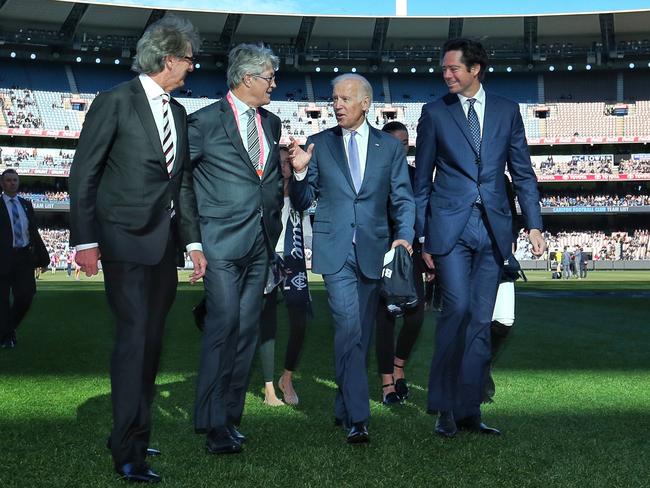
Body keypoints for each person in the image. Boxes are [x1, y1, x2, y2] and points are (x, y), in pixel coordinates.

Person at [68, 16, 205, 483]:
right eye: (188, 59)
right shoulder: (115, 102)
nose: (192, 67)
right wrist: (85, 240)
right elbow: (83, 173)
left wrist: (193, 241)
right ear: (168, 59)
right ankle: (128, 450)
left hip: (164, 248)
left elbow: (181, 183)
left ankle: (133, 432)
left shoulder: (180, 114)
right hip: (122, 241)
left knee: (151, 345)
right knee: (133, 343)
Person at [413, 38, 545, 438]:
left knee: (479, 320)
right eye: (444, 69)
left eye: (453, 68)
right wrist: (422, 238)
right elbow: (422, 182)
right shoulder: (434, 113)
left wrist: (534, 224)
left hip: (495, 229)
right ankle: (442, 407)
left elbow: (522, 172)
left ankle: (469, 409)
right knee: (456, 311)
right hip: (449, 230)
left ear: (476, 69)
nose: (446, 75)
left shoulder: (508, 111)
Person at [289, 74, 415, 444]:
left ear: (365, 103)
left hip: (375, 252)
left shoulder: (389, 149)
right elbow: (301, 202)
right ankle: (358, 418)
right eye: (334, 98)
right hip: (334, 251)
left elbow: (403, 199)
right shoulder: (317, 144)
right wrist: (298, 172)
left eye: (345, 98)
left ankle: (344, 404)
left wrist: (404, 236)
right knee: (348, 328)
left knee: (359, 334)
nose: (337, 104)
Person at [186, 43, 283, 455]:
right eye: (269, 78)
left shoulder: (273, 123)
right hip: (220, 244)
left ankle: (229, 417)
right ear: (247, 79)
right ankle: (211, 423)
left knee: (246, 332)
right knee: (222, 327)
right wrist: (193, 241)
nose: (274, 85)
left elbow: (266, 180)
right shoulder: (203, 122)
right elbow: (180, 183)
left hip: (261, 242)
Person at [374, 121, 428, 405]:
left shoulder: (417, 176)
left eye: (405, 141)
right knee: (384, 318)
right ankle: (387, 384)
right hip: (379, 251)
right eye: (396, 141)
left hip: (410, 252)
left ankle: (398, 366)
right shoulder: (373, 175)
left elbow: (423, 214)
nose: (402, 145)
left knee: (416, 315)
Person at [259, 146, 312, 407]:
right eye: (277, 162)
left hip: (294, 259)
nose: (283, 167)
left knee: (300, 322)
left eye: (286, 162)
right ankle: (269, 388)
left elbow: (307, 213)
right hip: (268, 257)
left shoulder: (301, 191)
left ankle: (287, 378)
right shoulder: (265, 191)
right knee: (267, 323)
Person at [0, 169, 49, 349]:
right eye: (8, 180)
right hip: (3, 258)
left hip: (23, 258)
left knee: (26, 296)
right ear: (2, 183)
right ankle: (7, 336)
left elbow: (33, 233)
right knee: (2, 301)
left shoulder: (26, 204)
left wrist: (43, 258)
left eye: (15, 180)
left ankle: (7, 329)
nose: (12, 183)